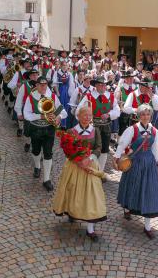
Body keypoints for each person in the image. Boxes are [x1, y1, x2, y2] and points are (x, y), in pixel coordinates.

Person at [52, 104, 107, 242]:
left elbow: (98, 147)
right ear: (78, 117)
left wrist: (89, 159)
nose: (87, 118)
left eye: (89, 115)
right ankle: (72, 212)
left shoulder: (95, 130)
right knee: (73, 191)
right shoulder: (71, 131)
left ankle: (90, 228)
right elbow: (67, 150)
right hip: (74, 167)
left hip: (90, 166)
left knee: (92, 195)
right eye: (84, 115)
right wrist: (77, 161)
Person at [114, 104, 158, 239]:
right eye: (143, 114)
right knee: (131, 186)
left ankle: (147, 226)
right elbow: (122, 144)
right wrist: (117, 158)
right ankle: (128, 208)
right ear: (138, 116)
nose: (145, 117)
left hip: (149, 165)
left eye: (148, 114)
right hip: (134, 162)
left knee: (149, 192)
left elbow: (155, 150)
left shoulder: (155, 132)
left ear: (151, 116)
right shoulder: (132, 129)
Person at [23, 76, 67, 191]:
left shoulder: (52, 96)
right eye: (41, 85)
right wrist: (40, 116)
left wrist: (59, 117)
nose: (43, 87)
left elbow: (63, 110)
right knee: (36, 151)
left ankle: (46, 179)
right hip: (36, 128)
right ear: (36, 85)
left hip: (49, 129)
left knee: (48, 153)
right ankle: (37, 166)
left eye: (45, 84)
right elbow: (26, 114)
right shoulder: (31, 97)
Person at [77, 76, 120, 176]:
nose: (103, 87)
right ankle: (90, 170)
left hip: (106, 126)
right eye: (100, 85)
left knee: (104, 149)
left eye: (104, 85)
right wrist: (87, 118)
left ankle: (100, 172)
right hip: (93, 127)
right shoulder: (88, 96)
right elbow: (79, 110)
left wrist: (109, 115)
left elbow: (117, 110)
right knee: (92, 149)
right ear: (95, 85)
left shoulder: (111, 96)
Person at [14, 69, 39, 151]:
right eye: (33, 75)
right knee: (28, 130)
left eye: (36, 74)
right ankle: (28, 142)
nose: (35, 76)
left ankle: (38, 149)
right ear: (29, 76)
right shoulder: (25, 86)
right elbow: (19, 99)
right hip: (27, 110)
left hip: (39, 111)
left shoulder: (42, 85)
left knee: (39, 130)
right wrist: (19, 112)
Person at [53, 61, 75, 129]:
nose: (65, 67)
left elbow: (71, 84)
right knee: (59, 107)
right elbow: (55, 84)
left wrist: (70, 94)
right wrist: (57, 92)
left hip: (67, 92)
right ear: (61, 66)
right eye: (63, 65)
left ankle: (64, 124)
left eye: (66, 65)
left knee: (66, 107)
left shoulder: (69, 74)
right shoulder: (57, 73)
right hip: (60, 90)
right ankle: (58, 122)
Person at [117, 70, 137, 136]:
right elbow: (116, 100)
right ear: (125, 79)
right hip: (124, 113)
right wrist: (121, 104)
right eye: (128, 78)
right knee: (122, 130)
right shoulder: (121, 88)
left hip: (134, 112)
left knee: (134, 130)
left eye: (132, 78)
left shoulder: (136, 88)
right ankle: (120, 144)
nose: (130, 79)